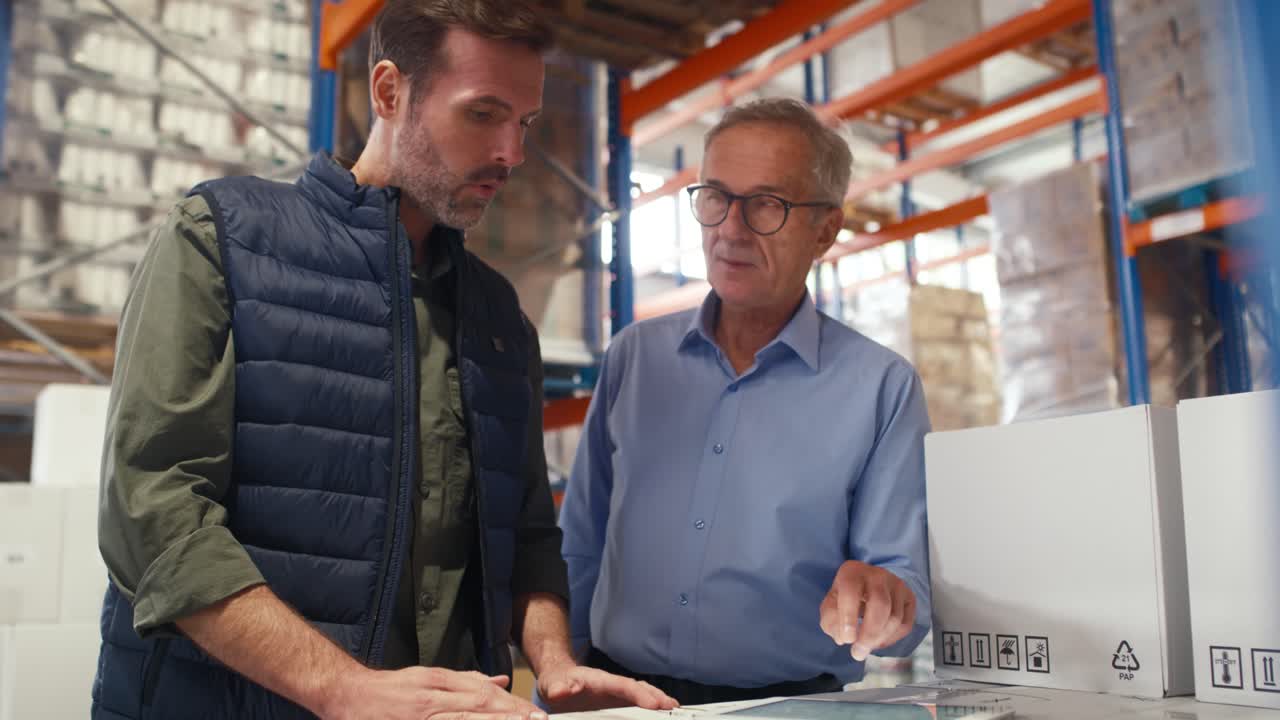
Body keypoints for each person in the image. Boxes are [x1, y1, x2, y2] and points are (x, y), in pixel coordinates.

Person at [91, 2, 676, 718]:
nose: (511, 153)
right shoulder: (220, 241)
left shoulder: (499, 319)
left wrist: (553, 663)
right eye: (483, 113)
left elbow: (524, 531)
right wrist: (342, 687)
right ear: (390, 92)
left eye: (521, 123)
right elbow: (153, 512)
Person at [558, 98, 932, 706]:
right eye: (716, 198)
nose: (731, 229)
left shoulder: (880, 387)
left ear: (826, 230)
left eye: (767, 205)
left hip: (788, 707)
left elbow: (901, 587)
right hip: (618, 697)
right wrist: (565, 679)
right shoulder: (635, 358)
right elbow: (580, 542)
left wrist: (883, 599)